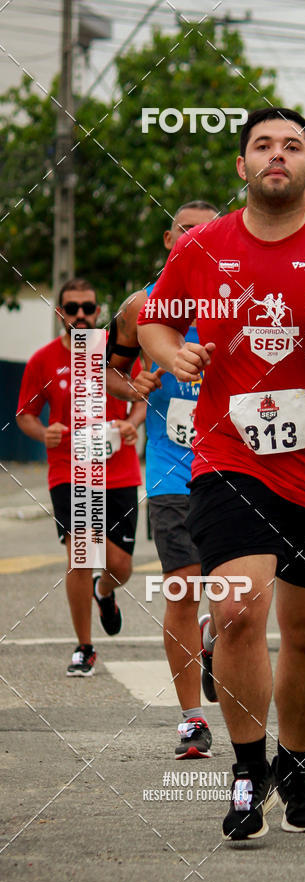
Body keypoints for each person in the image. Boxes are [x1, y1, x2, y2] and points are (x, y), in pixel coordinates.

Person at [137, 107, 305, 840]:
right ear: (243, 166)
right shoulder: (204, 247)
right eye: (263, 144)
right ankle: (246, 767)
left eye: (293, 146)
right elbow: (152, 321)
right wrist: (174, 355)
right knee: (235, 610)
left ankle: (295, 764)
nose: (277, 155)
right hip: (230, 461)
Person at [106, 200, 219, 760]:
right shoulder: (141, 306)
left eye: (207, 230)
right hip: (172, 471)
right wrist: (130, 390)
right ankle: (191, 719)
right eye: (185, 229)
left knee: (240, 600)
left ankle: (217, 640)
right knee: (184, 586)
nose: (195, 238)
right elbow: (103, 367)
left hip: (237, 468)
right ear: (169, 237)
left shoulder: (241, 300)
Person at [16, 278, 143, 676]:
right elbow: (25, 415)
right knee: (81, 554)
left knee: (120, 565)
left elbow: (139, 398)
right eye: (73, 309)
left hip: (119, 472)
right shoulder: (43, 360)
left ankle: (105, 591)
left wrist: (131, 424)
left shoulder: (114, 353)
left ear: (97, 311)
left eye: (88, 308)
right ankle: (84, 647)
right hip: (69, 471)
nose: (82, 315)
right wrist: (43, 433)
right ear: (60, 314)